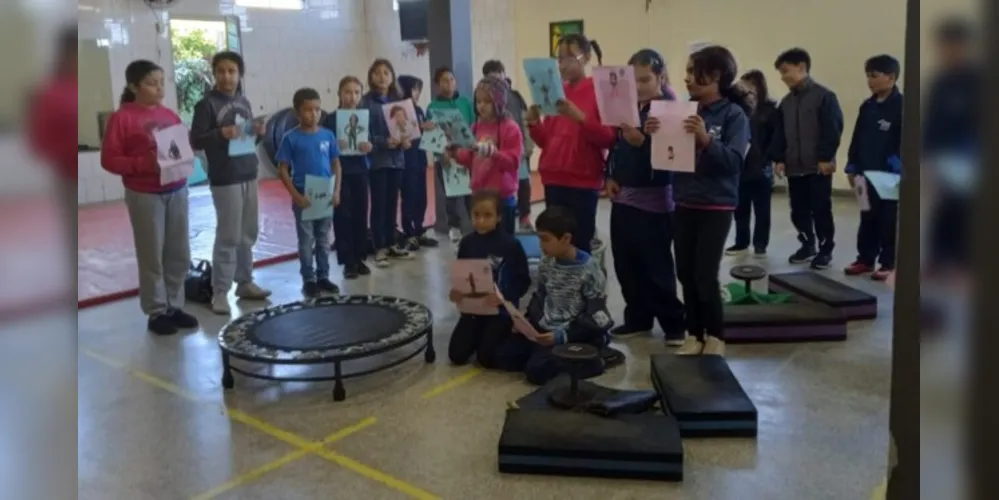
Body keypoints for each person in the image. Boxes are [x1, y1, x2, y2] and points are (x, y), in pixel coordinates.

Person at [647, 45, 750, 356]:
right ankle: (694, 333)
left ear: (716, 75)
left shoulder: (734, 115)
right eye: (688, 72)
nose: (687, 78)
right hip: (684, 201)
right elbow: (668, 157)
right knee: (685, 273)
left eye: (694, 72)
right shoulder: (682, 110)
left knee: (705, 274)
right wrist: (655, 134)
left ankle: (716, 336)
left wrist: (706, 141)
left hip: (716, 205)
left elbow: (734, 162)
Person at [100, 60, 198, 335]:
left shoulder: (170, 115)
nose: (158, 88)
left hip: (176, 189)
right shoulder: (123, 118)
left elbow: (180, 148)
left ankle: (175, 305)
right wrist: (145, 164)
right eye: (151, 83)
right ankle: (156, 311)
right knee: (152, 253)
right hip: (144, 193)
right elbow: (109, 159)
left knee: (178, 252)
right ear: (134, 86)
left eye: (161, 82)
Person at [604, 48, 685, 346]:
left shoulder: (670, 109)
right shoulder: (628, 108)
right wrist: (609, 176)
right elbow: (615, 146)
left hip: (653, 203)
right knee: (626, 265)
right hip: (623, 198)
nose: (638, 87)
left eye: (645, 80)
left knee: (656, 267)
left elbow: (672, 159)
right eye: (632, 81)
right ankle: (638, 318)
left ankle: (674, 324)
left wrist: (642, 142)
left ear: (661, 77)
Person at [493, 206, 615, 385]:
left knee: (537, 370)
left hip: (574, 333)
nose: (541, 246)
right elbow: (540, 296)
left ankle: (594, 360)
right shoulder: (546, 263)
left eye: (546, 240)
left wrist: (561, 336)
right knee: (501, 355)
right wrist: (525, 322)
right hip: (546, 329)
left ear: (566, 238)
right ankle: (551, 356)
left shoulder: (590, 269)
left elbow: (598, 316)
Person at [189, 51, 271, 315]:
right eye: (221, 71)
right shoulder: (206, 105)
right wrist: (220, 133)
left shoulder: (243, 102)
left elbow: (244, 143)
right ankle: (220, 292)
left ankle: (245, 282)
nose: (227, 76)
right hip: (225, 177)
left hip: (248, 171)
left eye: (232, 71)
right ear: (214, 74)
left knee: (248, 232)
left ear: (239, 74)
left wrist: (258, 134)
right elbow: (196, 140)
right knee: (229, 235)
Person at [525, 33, 616, 253]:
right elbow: (546, 140)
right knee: (555, 244)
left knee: (579, 244)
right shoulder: (557, 90)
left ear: (585, 58)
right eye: (559, 58)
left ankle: (582, 287)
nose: (562, 64)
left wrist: (581, 118)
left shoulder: (598, 90)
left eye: (568, 57)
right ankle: (559, 286)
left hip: (583, 181)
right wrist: (534, 124)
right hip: (554, 177)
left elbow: (609, 138)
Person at [769, 48, 845, 269]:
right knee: (798, 211)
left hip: (817, 167)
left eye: (786, 71)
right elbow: (779, 134)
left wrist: (825, 157)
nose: (783, 77)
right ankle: (807, 244)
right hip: (794, 167)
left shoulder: (824, 97)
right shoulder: (785, 103)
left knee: (821, 209)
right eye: (781, 73)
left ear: (801, 67)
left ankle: (825, 249)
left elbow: (833, 129)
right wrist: (779, 158)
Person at [448, 191, 531, 367]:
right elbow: (462, 275)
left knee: (486, 358)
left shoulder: (511, 245)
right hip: (473, 311)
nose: (481, 221)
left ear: (499, 217)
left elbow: (524, 280)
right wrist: (457, 293)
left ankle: (506, 333)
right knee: (456, 355)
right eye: (476, 215)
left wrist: (504, 297)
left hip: (500, 311)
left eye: (487, 215)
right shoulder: (467, 243)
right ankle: (480, 334)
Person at [923, 17, 979, 278]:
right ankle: (939, 260)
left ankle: (965, 262)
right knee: (943, 210)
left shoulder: (978, 81)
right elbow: (931, 124)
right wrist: (928, 159)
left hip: (972, 159)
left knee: (966, 213)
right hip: (943, 160)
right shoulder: (942, 82)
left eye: (953, 46)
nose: (948, 51)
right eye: (944, 46)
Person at [275, 88, 342, 297]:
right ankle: (309, 278)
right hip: (304, 193)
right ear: (297, 112)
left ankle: (323, 276)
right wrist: (296, 195)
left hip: (325, 192)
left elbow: (336, 164)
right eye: (307, 110)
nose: (313, 114)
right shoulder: (290, 138)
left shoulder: (327, 135)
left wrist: (336, 190)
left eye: (317, 109)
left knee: (323, 238)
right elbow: (283, 169)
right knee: (306, 240)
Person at [843, 55, 903, 281]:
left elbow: (906, 143)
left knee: (888, 221)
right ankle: (865, 259)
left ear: (891, 77)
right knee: (866, 216)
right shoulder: (867, 107)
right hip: (863, 175)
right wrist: (852, 167)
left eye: (874, 76)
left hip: (889, 177)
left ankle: (888, 263)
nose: (869, 81)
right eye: (867, 76)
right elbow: (857, 138)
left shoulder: (902, 106)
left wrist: (896, 170)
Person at [444, 76, 524, 234]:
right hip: (479, 195)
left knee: (503, 243)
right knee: (482, 242)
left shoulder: (510, 128)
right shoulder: (475, 127)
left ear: (499, 101)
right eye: (478, 101)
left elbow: (513, 162)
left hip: (502, 197)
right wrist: (455, 152)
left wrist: (493, 153)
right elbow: (469, 158)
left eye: (487, 101)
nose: (481, 106)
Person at [362, 59, 412, 267]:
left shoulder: (398, 100)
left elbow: (407, 128)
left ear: (392, 77)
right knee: (379, 204)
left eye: (386, 72)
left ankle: (391, 242)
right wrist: (384, 142)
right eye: (377, 73)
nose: (382, 77)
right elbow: (365, 135)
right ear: (371, 76)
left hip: (397, 160)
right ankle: (379, 246)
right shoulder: (365, 102)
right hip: (378, 161)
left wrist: (406, 140)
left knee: (393, 202)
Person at [324, 76, 373, 280]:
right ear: (339, 94)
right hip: (339, 173)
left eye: (356, 92)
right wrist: (335, 146)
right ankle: (347, 261)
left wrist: (369, 146)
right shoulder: (331, 119)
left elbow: (372, 141)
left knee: (361, 214)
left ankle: (360, 257)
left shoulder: (365, 117)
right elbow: (323, 144)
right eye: (347, 92)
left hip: (360, 170)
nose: (352, 97)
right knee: (343, 216)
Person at [726, 69, 779, 257]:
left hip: (761, 167)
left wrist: (769, 158)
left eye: (750, 85)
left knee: (762, 209)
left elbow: (776, 138)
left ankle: (760, 243)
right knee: (740, 208)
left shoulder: (770, 110)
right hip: (741, 166)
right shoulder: (737, 109)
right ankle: (741, 242)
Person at [482, 60, 535, 231]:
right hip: (496, 153)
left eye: (499, 73)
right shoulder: (485, 101)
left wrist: (528, 145)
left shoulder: (516, 96)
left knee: (524, 184)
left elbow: (525, 120)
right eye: (491, 76)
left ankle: (525, 217)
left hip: (517, 150)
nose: (496, 78)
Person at [427, 66, 477, 243]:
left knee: (470, 191)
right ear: (437, 86)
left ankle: (474, 223)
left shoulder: (466, 103)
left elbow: (473, 127)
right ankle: (453, 226)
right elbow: (432, 135)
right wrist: (441, 154)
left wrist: (471, 149)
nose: (449, 84)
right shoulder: (432, 107)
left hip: (466, 154)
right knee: (450, 193)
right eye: (444, 81)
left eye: (452, 80)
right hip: (446, 156)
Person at [397, 75, 439, 251]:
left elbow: (423, 132)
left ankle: (420, 229)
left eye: (418, 90)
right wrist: (419, 127)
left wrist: (430, 127)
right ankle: (409, 233)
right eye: (414, 89)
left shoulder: (419, 109)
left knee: (422, 197)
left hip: (420, 158)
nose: (417, 93)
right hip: (406, 160)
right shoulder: (399, 109)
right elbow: (403, 130)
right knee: (409, 197)